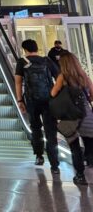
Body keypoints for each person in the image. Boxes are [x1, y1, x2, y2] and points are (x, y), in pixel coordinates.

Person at [15, 39, 60, 174]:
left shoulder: (22, 62)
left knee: (36, 128)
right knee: (51, 131)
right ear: (36, 48)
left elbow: (18, 82)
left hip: (32, 100)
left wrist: (20, 100)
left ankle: (39, 156)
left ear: (25, 50)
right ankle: (54, 165)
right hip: (49, 100)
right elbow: (59, 77)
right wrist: (53, 93)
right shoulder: (46, 61)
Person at [51, 52, 93, 186]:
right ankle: (90, 164)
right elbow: (92, 95)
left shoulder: (62, 77)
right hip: (86, 115)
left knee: (75, 149)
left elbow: (53, 93)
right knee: (90, 146)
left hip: (71, 117)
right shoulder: (84, 76)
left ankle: (80, 176)